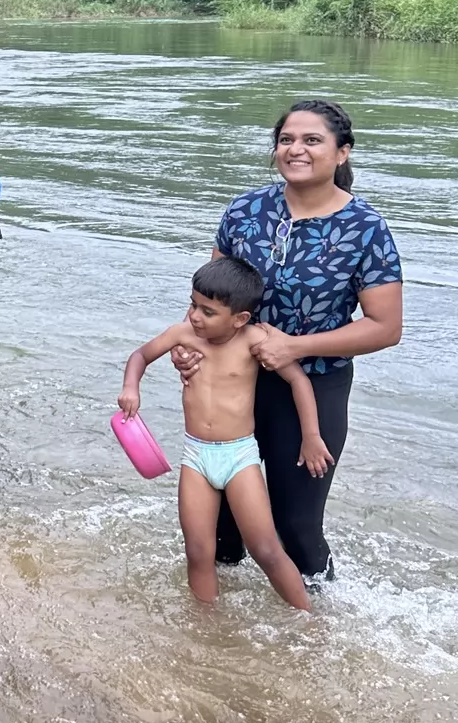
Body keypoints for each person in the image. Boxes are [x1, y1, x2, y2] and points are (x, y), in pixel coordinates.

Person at [178, 97, 403, 582]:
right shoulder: (245, 210)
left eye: (312, 140)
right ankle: (215, 639)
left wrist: (296, 347)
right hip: (233, 380)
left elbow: (385, 327)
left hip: (313, 385)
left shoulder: (365, 229)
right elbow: (208, 298)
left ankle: (318, 631)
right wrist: (188, 346)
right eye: (286, 140)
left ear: (342, 152)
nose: (295, 149)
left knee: (295, 525)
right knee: (222, 527)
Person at [122, 256, 327, 610]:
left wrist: (311, 436)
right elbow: (140, 356)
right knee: (199, 551)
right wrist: (131, 388)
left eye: (207, 311)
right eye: (193, 304)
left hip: (239, 456)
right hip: (196, 455)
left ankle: (309, 619)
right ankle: (205, 627)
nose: (194, 316)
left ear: (240, 318)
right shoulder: (181, 334)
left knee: (266, 549)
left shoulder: (256, 340)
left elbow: (298, 380)